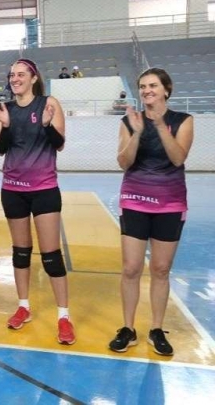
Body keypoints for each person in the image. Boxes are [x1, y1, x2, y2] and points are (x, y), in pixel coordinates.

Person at [109, 68, 194, 356]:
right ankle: (128, 328)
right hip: (134, 200)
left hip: (170, 203)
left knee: (160, 269)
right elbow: (124, 162)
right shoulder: (129, 121)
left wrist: (158, 126)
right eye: (143, 86)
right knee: (131, 268)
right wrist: (137, 133)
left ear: (166, 90)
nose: (147, 90)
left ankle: (156, 328)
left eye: (153, 85)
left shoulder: (183, 120)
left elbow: (178, 157)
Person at [0, 58, 74, 345]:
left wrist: (49, 125)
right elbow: (1, 149)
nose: (15, 78)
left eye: (21, 74)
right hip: (12, 189)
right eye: (12, 74)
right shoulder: (5, 110)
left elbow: (59, 144)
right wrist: (5, 125)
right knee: (21, 252)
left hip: (44, 188)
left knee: (51, 255)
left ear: (33, 77)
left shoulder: (49, 103)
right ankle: (23, 306)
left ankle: (64, 316)